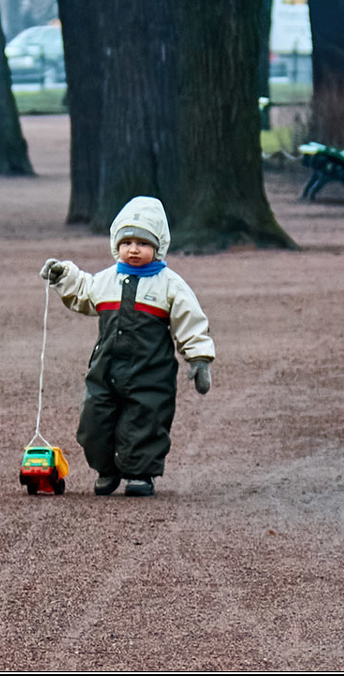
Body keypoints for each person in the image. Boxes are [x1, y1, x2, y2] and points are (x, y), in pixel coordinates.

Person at [39, 196, 214, 497]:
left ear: (158, 247)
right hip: (105, 368)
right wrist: (64, 276)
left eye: (143, 244)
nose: (134, 250)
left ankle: (140, 474)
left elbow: (191, 320)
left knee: (144, 421)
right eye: (127, 242)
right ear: (116, 244)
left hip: (151, 370)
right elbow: (83, 293)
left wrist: (199, 359)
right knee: (94, 422)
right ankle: (107, 469)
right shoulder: (107, 280)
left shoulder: (169, 285)